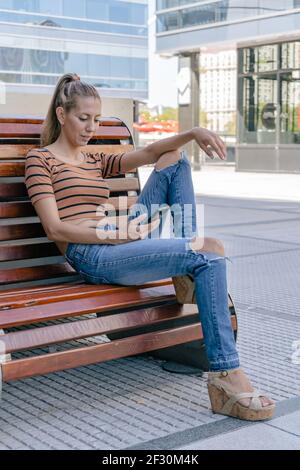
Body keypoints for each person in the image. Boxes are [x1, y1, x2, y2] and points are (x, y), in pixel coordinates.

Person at [25, 73, 275, 421]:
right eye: (83, 118)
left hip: (120, 233)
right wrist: (117, 235)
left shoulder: (94, 158)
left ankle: (188, 269)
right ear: (62, 113)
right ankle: (225, 375)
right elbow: (55, 228)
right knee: (209, 255)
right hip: (92, 251)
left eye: (96, 119)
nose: (90, 127)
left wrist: (193, 133)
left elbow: (150, 152)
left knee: (175, 158)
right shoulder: (41, 160)